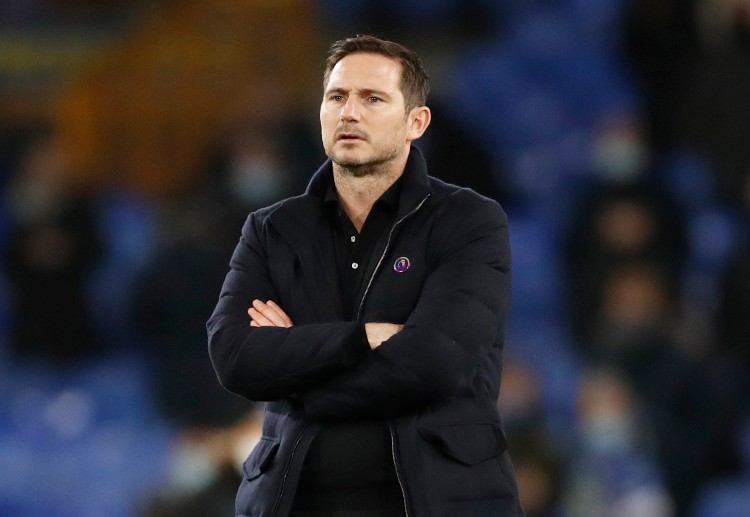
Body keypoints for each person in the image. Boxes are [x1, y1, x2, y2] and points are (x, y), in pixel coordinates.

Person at [207, 35, 523, 517]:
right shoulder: (272, 230)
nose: (349, 113)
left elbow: (434, 362)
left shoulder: (469, 221)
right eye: (337, 97)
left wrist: (296, 372)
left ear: (416, 122)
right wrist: (362, 338)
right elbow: (234, 358)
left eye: (372, 98)